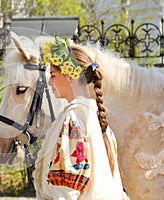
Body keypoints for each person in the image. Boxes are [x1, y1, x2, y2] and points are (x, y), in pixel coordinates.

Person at [33, 36, 129, 200]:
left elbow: (66, 189)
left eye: (53, 75)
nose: (49, 82)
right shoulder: (95, 117)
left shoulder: (74, 118)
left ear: (69, 76)